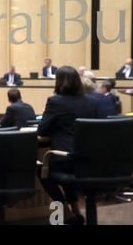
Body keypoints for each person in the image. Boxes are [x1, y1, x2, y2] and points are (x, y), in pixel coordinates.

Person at [38, 66, 97, 225]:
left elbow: (42, 130)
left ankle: (65, 209)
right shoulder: (91, 101)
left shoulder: (55, 102)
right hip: (91, 162)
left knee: (40, 168)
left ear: (59, 82)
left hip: (67, 160)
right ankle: (76, 210)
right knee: (70, 160)